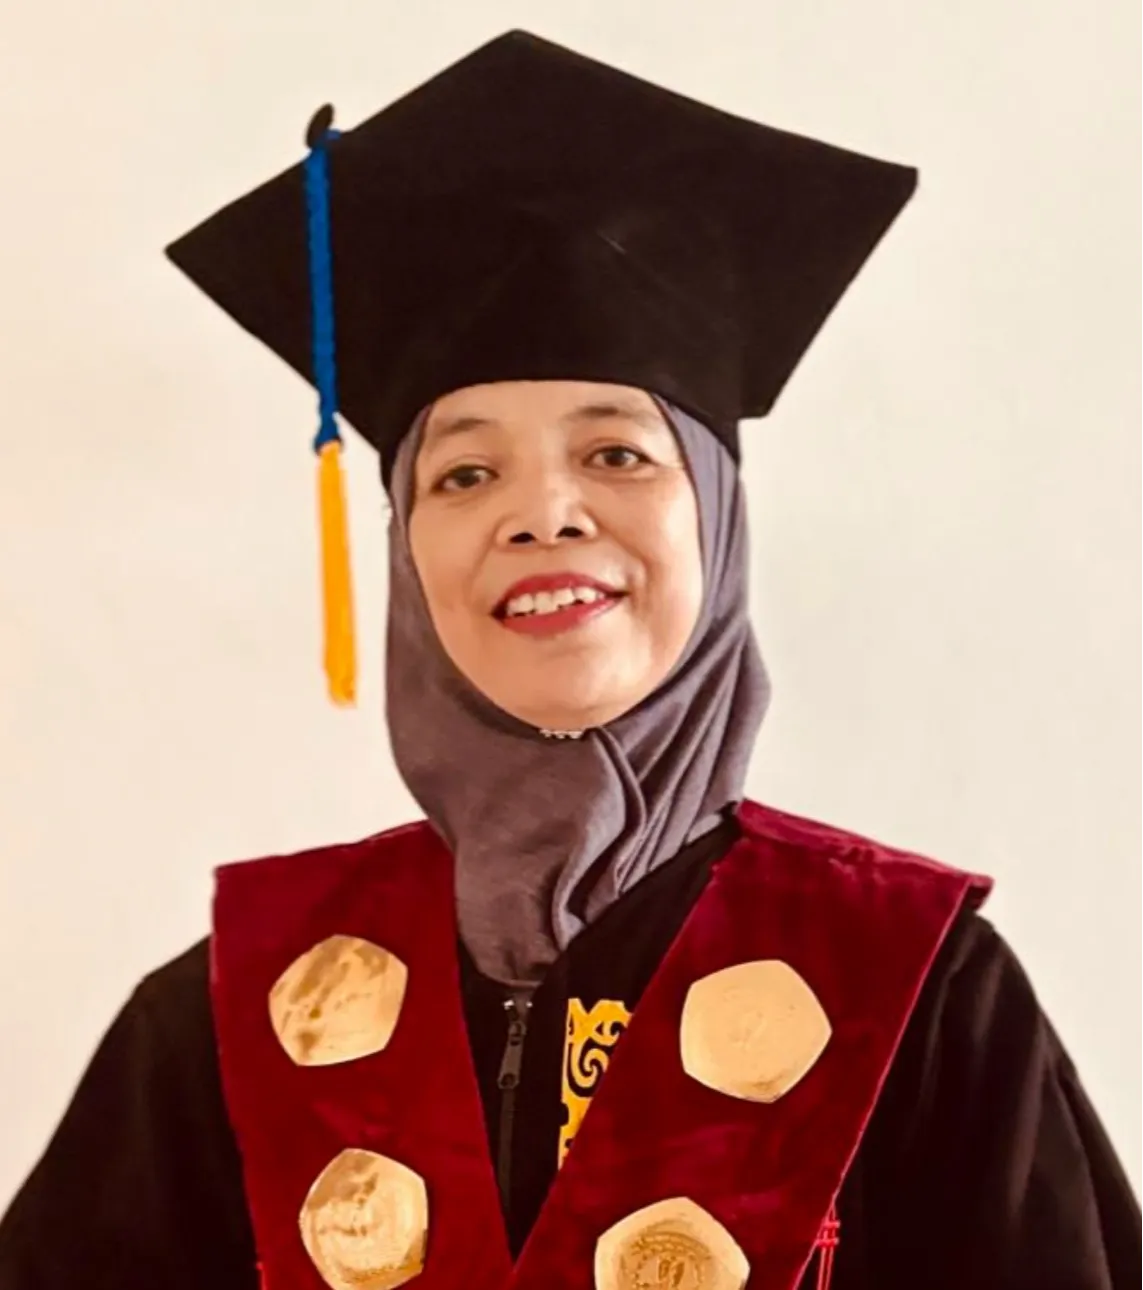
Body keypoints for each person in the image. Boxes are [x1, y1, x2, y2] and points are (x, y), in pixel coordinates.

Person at [0, 29, 1138, 1290]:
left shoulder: (916, 992)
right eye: (464, 473)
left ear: (716, 519)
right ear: (405, 551)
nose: (541, 513)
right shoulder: (237, 1016)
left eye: (616, 454)